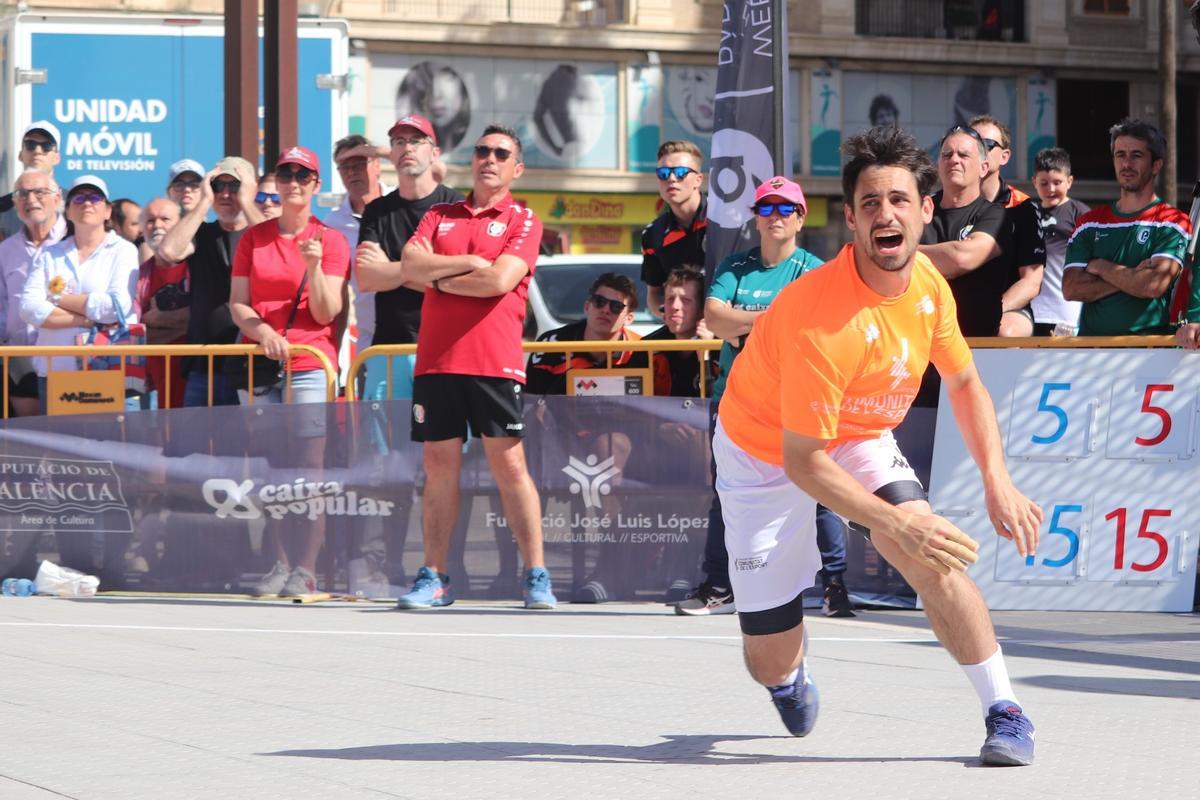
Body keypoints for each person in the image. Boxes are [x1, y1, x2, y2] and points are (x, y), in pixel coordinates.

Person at [713, 125, 1041, 766]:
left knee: (933, 553)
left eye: (898, 200)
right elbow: (802, 459)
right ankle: (788, 679)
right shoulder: (819, 317)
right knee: (768, 655)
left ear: (926, 210)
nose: (885, 214)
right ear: (852, 221)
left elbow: (966, 380)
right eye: (870, 203)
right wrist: (893, 523)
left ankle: (1005, 709)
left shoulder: (927, 285)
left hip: (857, 433)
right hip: (763, 449)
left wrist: (995, 478)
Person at [675, 177, 854, 619]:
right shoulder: (735, 266)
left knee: (820, 491)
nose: (776, 217)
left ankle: (834, 587)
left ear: (800, 216)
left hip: (799, 397)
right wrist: (772, 319)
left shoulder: (814, 269)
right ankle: (719, 585)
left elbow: (811, 326)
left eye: (785, 209)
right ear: (755, 217)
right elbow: (715, 318)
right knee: (729, 494)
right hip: (737, 399)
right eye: (767, 208)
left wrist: (748, 321)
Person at [397, 123, 556, 610]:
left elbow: (498, 280)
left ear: (517, 167)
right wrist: (468, 261)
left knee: (510, 467)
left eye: (501, 153)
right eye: (483, 150)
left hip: (494, 361)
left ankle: (536, 575)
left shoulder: (524, 220)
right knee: (438, 469)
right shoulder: (439, 214)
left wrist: (438, 279)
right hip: (437, 361)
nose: (490, 158)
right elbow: (409, 266)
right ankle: (435, 577)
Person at [229, 145, 350, 596]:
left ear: (316, 185)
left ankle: (306, 566)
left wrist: (314, 267)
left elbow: (327, 311)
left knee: (309, 468)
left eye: (303, 175)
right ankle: (278, 563)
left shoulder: (331, 240)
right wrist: (263, 334)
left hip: (309, 363)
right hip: (260, 365)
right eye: (286, 174)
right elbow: (238, 304)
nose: (293, 182)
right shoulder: (253, 239)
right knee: (270, 468)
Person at [356, 114, 464, 399]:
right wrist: (423, 269)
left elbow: (463, 280)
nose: (408, 148)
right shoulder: (377, 210)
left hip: (446, 346)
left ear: (435, 152)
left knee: (447, 443)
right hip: (388, 349)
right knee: (383, 445)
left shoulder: (456, 207)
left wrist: (391, 271)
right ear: (392, 153)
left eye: (416, 141)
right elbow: (366, 278)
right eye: (399, 141)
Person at [20, 175, 139, 413]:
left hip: (107, 369)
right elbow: (29, 308)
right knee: (61, 448)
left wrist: (56, 299)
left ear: (107, 211)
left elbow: (115, 307)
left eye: (95, 197)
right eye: (79, 198)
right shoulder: (49, 254)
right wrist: (87, 319)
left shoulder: (123, 250)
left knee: (110, 448)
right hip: (57, 370)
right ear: (68, 211)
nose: (87, 203)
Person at [1063, 118, 1191, 336]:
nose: (1126, 164)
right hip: (1089, 351)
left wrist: (1101, 267)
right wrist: (1132, 276)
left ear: (1156, 165)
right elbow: (1072, 288)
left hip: (1149, 351)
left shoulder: (1172, 220)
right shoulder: (1089, 222)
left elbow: (1153, 285)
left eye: (1137, 155)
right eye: (1120, 155)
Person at [158, 156, 264, 407]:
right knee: (194, 445)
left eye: (234, 186)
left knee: (251, 445)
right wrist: (203, 202)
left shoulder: (259, 233)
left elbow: (278, 251)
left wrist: (247, 202)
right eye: (218, 186)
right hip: (203, 363)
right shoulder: (202, 233)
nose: (225, 193)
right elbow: (170, 251)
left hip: (251, 360)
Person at [918, 125, 1009, 337]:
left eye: (964, 154)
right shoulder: (917, 209)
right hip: (922, 345)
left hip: (978, 346)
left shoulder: (997, 215)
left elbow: (960, 258)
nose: (954, 160)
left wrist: (904, 254)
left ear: (983, 168)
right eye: (947, 154)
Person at [0, 169, 69, 416]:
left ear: (57, 198)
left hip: (68, 358)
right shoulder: (5, 250)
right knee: (29, 445)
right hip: (20, 362)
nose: (31, 199)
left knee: (71, 442)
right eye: (22, 194)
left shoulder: (75, 240)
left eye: (40, 192)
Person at [969, 115, 1045, 337]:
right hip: (950, 310)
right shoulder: (940, 201)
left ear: (1005, 156)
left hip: (1006, 310)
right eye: (972, 144)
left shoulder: (1024, 207)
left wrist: (989, 313)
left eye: (986, 145)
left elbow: (1031, 282)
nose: (977, 151)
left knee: (1006, 331)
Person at [325, 134, 391, 357]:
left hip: (417, 334)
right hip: (370, 340)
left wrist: (381, 150)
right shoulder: (332, 225)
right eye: (344, 167)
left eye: (359, 163)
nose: (352, 172)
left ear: (377, 165)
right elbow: (337, 293)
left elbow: (434, 170)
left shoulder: (402, 203)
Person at [641, 140, 707, 318]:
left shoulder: (724, 221)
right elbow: (654, 293)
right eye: (663, 173)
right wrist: (671, 316)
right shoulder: (653, 234)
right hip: (682, 334)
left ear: (698, 180)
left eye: (680, 173)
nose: (671, 179)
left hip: (725, 329)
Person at [136, 197, 190, 409]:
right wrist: (184, 327)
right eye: (150, 220)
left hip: (197, 384)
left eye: (165, 219)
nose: (157, 225)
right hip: (154, 388)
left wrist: (162, 320)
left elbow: (208, 316)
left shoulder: (198, 267)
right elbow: (137, 335)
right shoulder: (138, 276)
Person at [1030, 148, 1089, 336]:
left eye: (1057, 182)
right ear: (1034, 182)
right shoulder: (1027, 212)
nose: (1051, 189)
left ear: (1069, 181)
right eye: (1044, 183)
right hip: (1032, 312)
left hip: (1068, 312)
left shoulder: (1081, 214)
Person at [644, 265, 716, 397]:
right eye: (670, 299)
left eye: (686, 300)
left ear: (702, 310)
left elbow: (717, 403)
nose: (675, 307)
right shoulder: (646, 348)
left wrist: (705, 356)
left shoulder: (720, 349)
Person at [0, 121, 62, 241]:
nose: (37, 151)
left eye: (46, 146)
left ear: (57, 158)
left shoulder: (75, 202)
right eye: (30, 145)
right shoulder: (2, 208)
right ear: (20, 155)